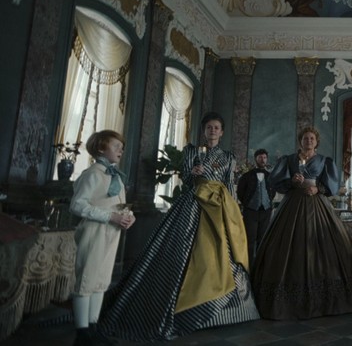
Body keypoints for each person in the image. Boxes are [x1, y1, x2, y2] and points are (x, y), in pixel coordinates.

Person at [99, 112, 258, 341]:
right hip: (192, 203)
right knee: (182, 250)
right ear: (204, 131)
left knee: (223, 251)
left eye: (216, 128)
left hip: (219, 205)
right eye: (209, 127)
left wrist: (234, 211)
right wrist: (191, 173)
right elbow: (185, 177)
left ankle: (227, 308)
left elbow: (229, 186)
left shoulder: (229, 156)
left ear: (221, 132)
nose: (212, 131)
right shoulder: (191, 151)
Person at [251, 126, 352, 320]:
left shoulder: (323, 161)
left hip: (317, 204)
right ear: (300, 141)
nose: (308, 141)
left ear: (316, 141)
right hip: (293, 204)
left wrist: (318, 189)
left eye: (312, 138)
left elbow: (333, 185)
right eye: (305, 138)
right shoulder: (289, 160)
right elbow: (276, 181)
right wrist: (292, 181)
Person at [70, 130, 135, 346]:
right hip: (94, 231)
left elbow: (120, 206)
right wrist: (109, 216)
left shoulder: (116, 176)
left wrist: (128, 217)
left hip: (111, 232)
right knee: (87, 280)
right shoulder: (93, 174)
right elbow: (78, 204)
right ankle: (82, 334)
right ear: (101, 148)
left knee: (101, 281)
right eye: (115, 146)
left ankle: (94, 328)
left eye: (121, 147)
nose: (121, 150)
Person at [236, 148, 274, 262]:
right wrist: (248, 204)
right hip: (250, 212)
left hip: (265, 211)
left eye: (264, 158)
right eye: (260, 157)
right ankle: (248, 266)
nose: (263, 160)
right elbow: (240, 192)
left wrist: (266, 202)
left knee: (262, 239)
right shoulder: (247, 176)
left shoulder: (270, 176)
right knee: (250, 240)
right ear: (255, 159)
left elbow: (273, 192)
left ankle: (260, 266)